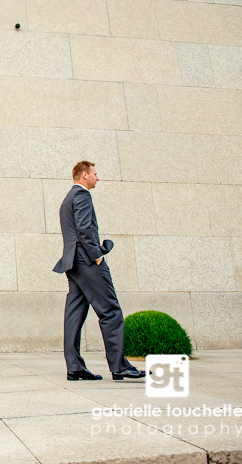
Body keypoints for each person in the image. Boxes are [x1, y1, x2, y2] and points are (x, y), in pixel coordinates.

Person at [53, 161, 146, 381]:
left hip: (72, 264)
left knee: (74, 315)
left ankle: (75, 368)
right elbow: (85, 227)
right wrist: (97, 255)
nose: (97, 177)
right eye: (95, 174)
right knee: (111, 311)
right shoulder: (82, 195)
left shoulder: (67, 198)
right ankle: (119, 366)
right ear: (84, 175)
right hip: (87, 261)